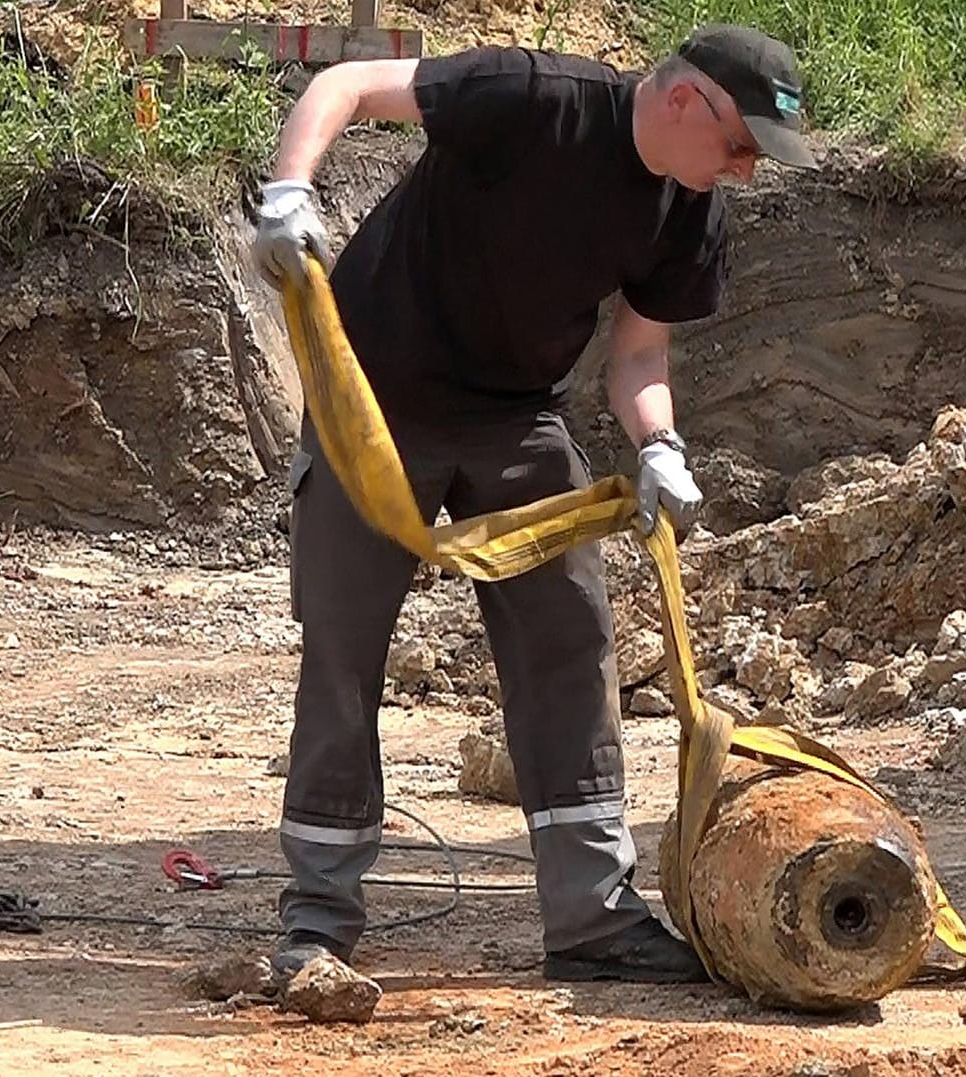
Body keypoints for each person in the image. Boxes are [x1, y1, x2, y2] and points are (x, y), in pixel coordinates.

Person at [248, 25, 818, 984]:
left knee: (570, 643)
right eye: (741, 146)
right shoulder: (530, 93)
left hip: (518, 415)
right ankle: (318, 920)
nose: (747, 172)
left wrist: (660, 446)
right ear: (686, 101)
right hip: (371, 395)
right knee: (345, 653)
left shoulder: (690, 207)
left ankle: (592, 919)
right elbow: (345, 82)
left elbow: (639, 358)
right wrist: (289, 191)